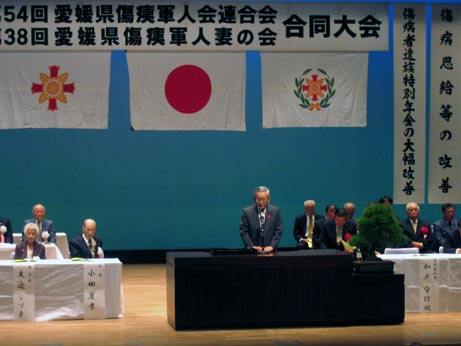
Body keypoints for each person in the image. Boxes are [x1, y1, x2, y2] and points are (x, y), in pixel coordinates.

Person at [239, 186, 283, 253]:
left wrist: (272, 246)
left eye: (264, 199)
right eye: (258, 199)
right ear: (254, 198)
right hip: (252, 251)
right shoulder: (247, 212)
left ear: (269, 199)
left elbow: (278, 230)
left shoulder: (275, 211)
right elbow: (243, 231)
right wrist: (251, 246)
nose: (261, 202)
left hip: (271, 251)